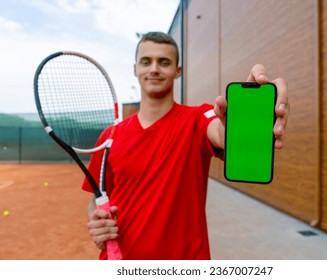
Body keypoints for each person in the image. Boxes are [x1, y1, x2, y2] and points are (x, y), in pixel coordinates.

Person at [82, 31, 289, 260]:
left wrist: (245, 120)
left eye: (164, 62)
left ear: (177, 71)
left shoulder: (197, 118)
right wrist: (97, 224)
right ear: (135, 69)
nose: (154, 69)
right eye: (146, 61)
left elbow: (220, 131)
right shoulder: (110, 136)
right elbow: (96, 200)